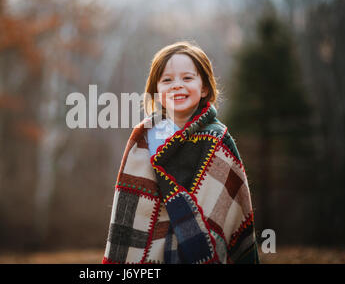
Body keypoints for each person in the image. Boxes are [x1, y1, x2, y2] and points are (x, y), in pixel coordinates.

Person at [102, 41, 260, 264]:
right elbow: (130, 205)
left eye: (187, 78)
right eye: (167, 80)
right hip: (152, 252)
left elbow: (232, 206)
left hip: (202, 249)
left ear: (204, 87)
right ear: (156, 90)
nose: (177, 85)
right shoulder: (144, 137)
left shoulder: (216, 138)